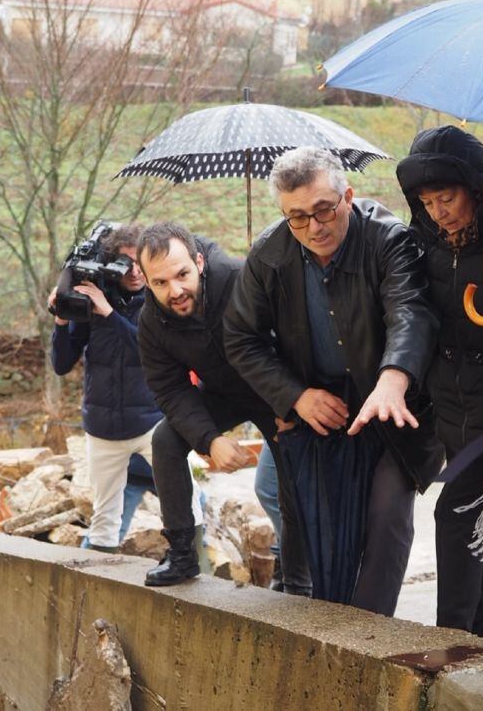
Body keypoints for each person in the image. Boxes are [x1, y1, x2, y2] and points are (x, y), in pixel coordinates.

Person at [225, 146, 442, 615]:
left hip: (391, 406)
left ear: (348, 195)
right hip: (318, 407)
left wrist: (394, 378)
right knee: (293, 506)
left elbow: (411, 311)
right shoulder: (270, 253)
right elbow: (241, 338)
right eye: (297, 217)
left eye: (324, 210)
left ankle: (366, 629)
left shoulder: (388, 238)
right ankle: (319, 605)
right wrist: (295, 396)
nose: (313, 227)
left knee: (385, 515)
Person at [395, 126, 483, 635]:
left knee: (456, 512)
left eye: (447, 197)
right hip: (447, 399)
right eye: (428, 201)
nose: (439, 212)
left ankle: (452, 637)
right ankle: (482, 626)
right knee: (480, 517)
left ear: (474, 189)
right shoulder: (422, 240)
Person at [136, 221, 309, 591]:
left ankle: (295, 578)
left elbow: (292, 341)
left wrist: (289, 402)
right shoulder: (152, 322)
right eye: (160, 283)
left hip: (273, 387)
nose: (175, 290)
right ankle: (183, 555)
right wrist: (210, 438)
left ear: (199, 261)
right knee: (166, 439)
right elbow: (170, 390)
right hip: (223, 393)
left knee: (291, 477)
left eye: (182, 275)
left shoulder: (237, 279)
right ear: (146, 281)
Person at [49, 224, 202, 552]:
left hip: (154, 424)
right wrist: (62, 319)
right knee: (104, 521)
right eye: (123, 263)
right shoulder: (94, 300)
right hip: (102, 429)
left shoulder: (161, 301)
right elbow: (62, 364)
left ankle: (197, 573)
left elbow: (154, 351)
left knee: (189, 506)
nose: (133, 271)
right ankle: (95, 592)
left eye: (139, 263)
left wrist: (108, 313)